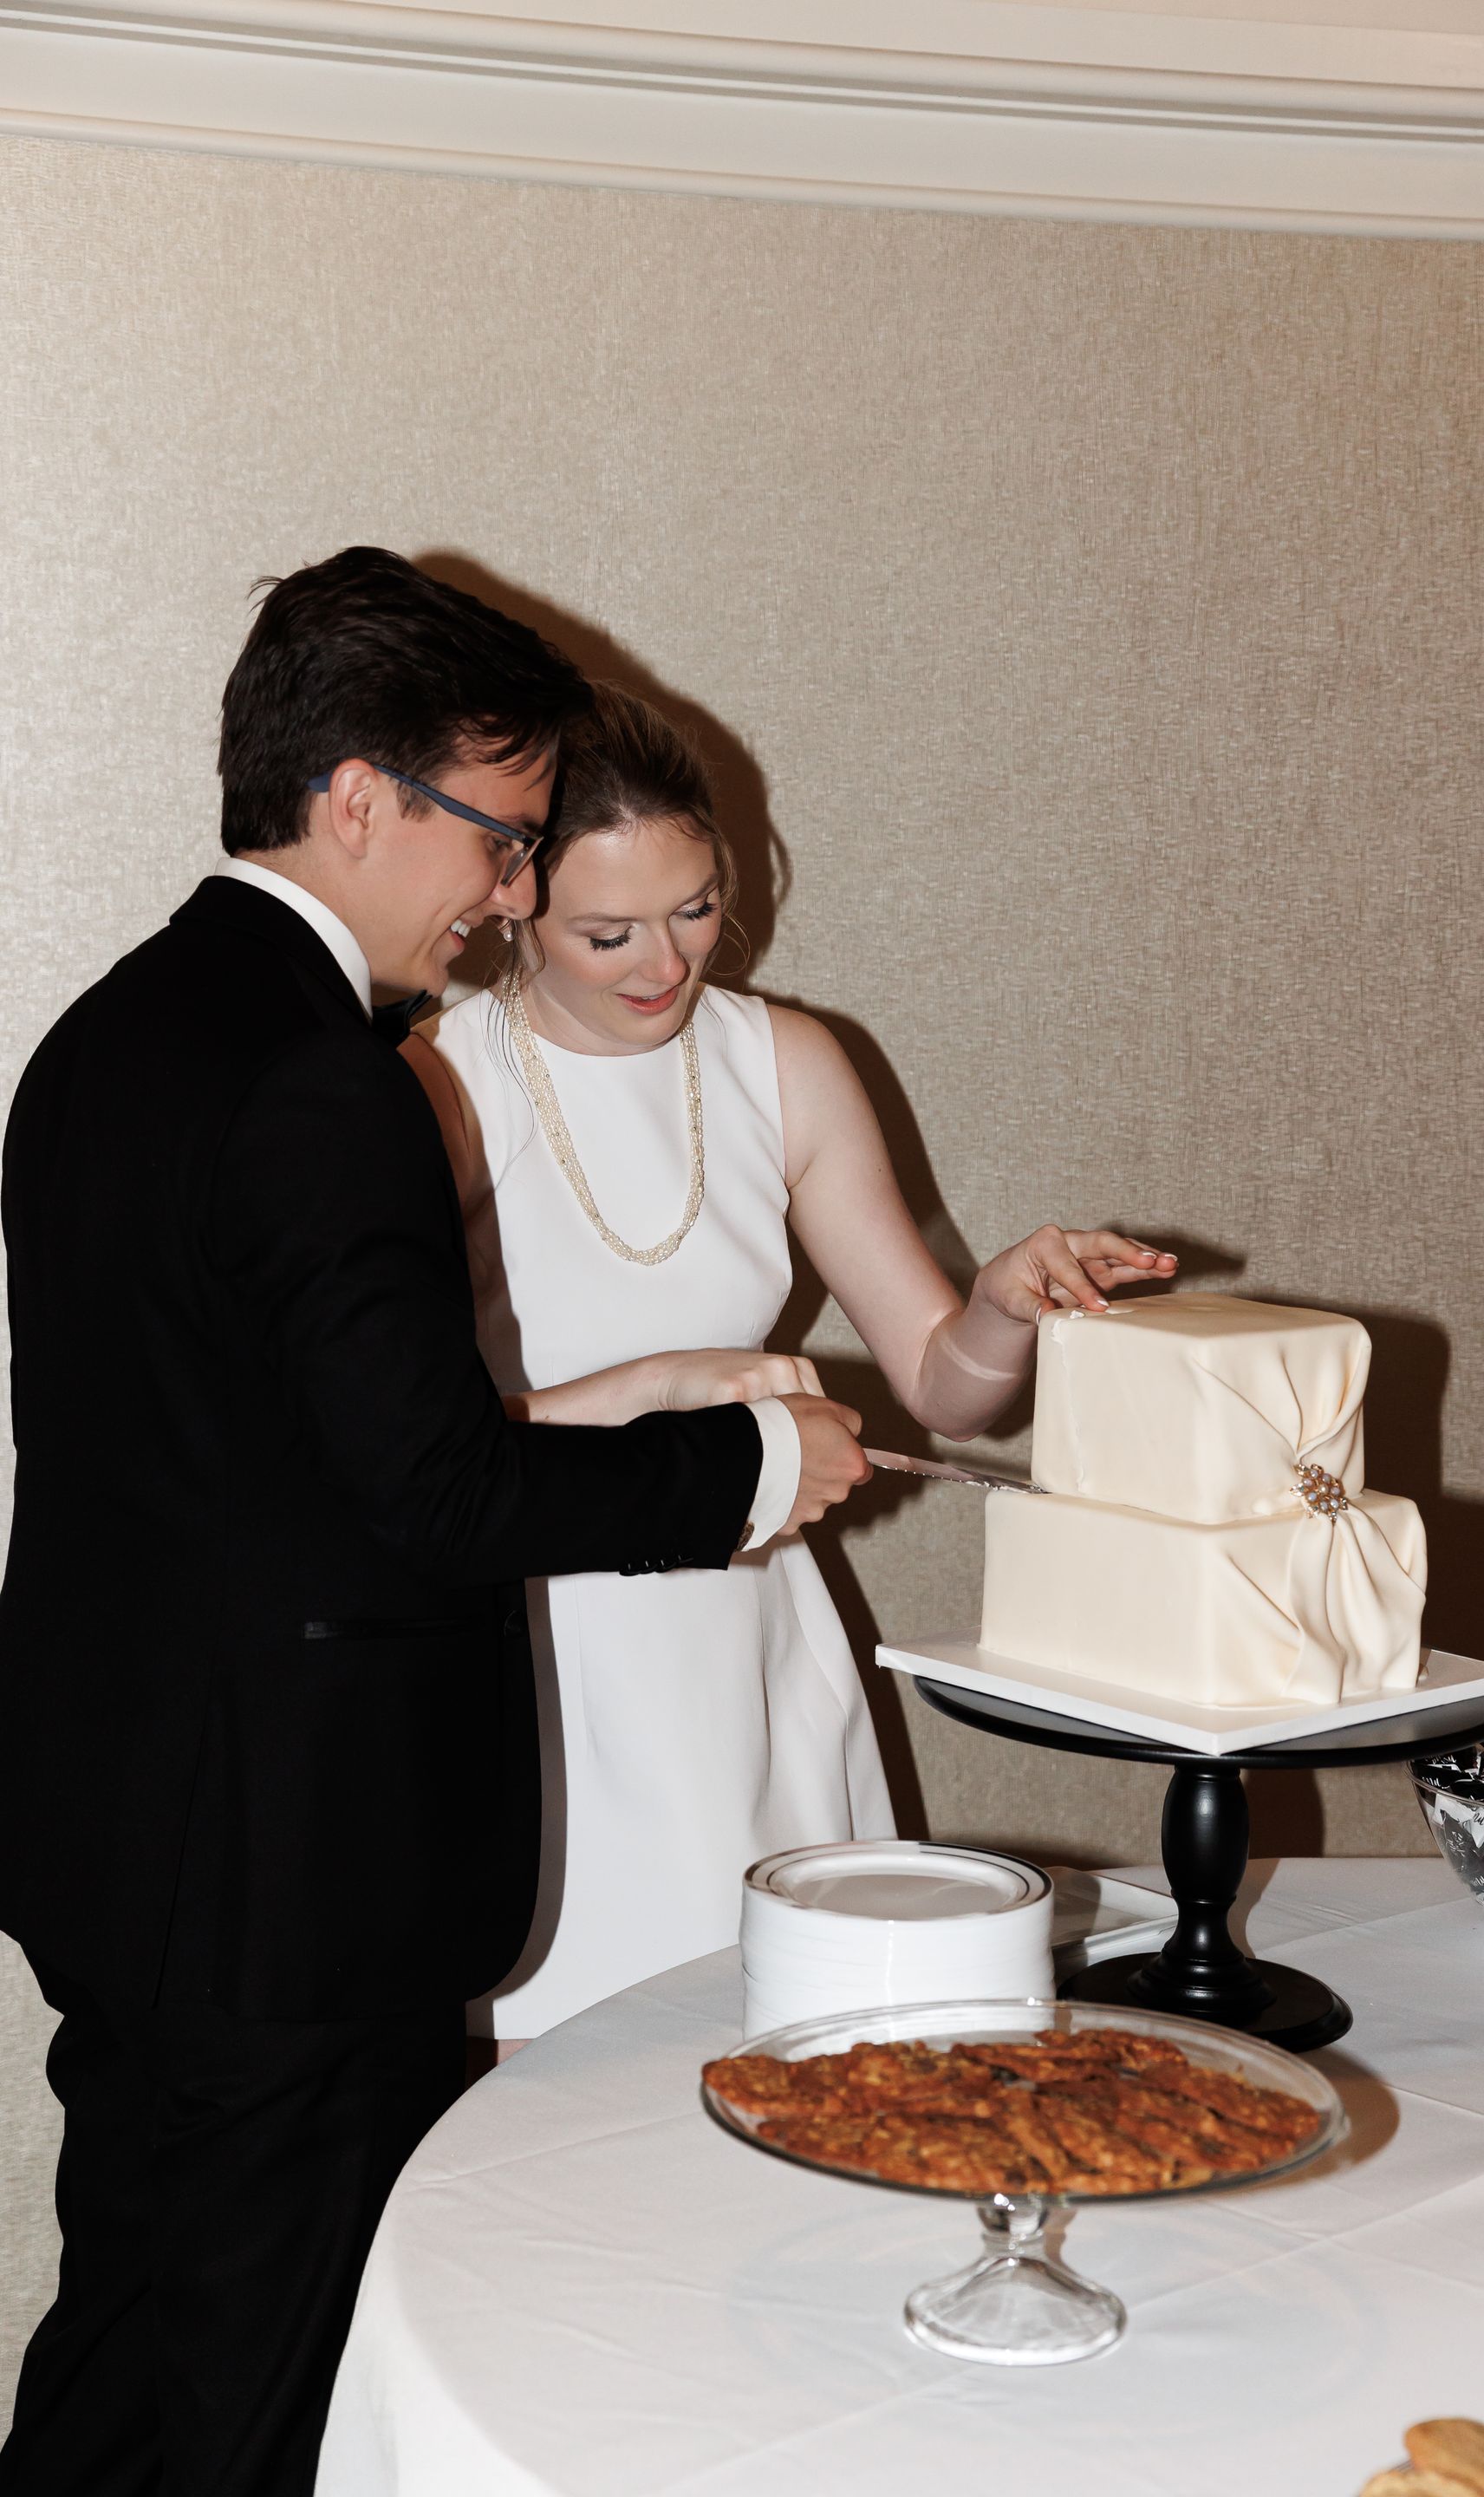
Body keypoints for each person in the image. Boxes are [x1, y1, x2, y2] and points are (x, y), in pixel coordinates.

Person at [0, 550, 868, 2497]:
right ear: (357, 797)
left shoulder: (104, 1039)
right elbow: (434, 1488)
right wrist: (741, 1470)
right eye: (498, 838)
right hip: (299, 1886)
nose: (506, 896)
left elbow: (248, 1462)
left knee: (130, 2364)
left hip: (137, 1849)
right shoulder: (324, 1083)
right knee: (266, 2408)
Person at [408, 683, 1177, 2044]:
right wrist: (644, 1406)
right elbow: (419, 1453)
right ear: (514, 896)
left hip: (752, 1638)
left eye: (697, 908)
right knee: (563, 2099)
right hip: (543, 1653)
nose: (665, 963)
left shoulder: (786, 1062)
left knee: (810, 2054)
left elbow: (945, 1383)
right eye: (610, 931)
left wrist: (1003, 1304)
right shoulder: (439, 1087)